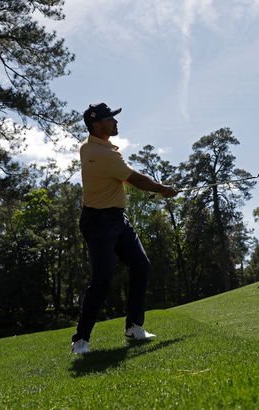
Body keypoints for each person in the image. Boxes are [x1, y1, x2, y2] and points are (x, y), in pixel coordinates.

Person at [71, 102, 178, 354]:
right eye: (111, 119)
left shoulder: (96, 147)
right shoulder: (100, 152)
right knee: (103, 277)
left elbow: (119, 182)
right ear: (97, 124)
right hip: (98, 221)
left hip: (117, 218)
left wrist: (156, 191)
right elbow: (134, 179)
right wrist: (164, 189)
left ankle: (134, 326)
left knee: (141, 265)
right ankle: (80, 341)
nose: (116, 123)